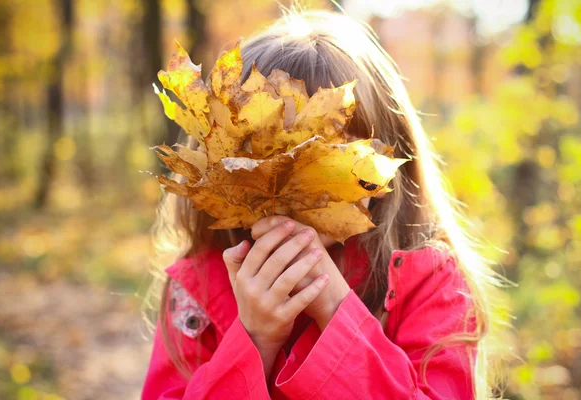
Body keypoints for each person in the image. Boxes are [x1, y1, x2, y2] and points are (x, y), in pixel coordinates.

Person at [141, 6, 502, 400]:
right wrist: (254, 340)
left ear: (385, 168)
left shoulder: (429, 283)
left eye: (324, 158)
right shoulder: (197, 290)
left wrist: (335, 311)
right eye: (259, 158)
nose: (288, 175)